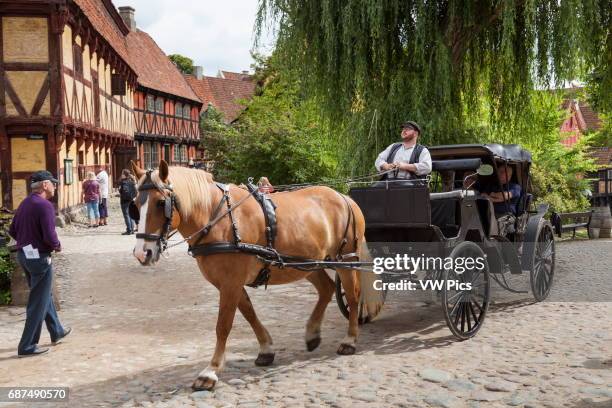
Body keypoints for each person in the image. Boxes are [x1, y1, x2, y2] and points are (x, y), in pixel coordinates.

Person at [9, 171, 71, 357]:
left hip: (24, 256)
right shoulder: (45, 206)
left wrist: (27, 242)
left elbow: (12, 230)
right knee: (37, 301)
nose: (55, 186)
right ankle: (27, 345)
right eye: (53, 183)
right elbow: (50, 236)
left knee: (43, 295)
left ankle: (56, 330)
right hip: (40, 259)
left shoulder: (25, 203)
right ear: (45, 185)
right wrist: (57, 246)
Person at [118, 169, 137, 235]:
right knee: (131, 215)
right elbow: (135, 192)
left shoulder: (122, 182)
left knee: (126, 215)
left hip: (124, 201)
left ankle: (129, 230)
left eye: (122, 174)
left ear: (124, 175)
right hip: (131, 200)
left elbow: (120, 191)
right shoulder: (132, 182)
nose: (121, 175)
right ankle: (132, 229)